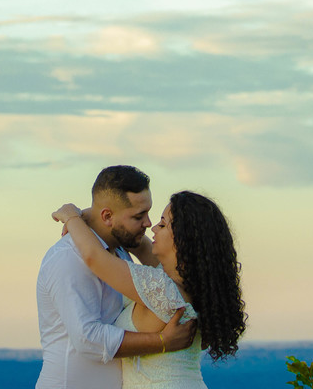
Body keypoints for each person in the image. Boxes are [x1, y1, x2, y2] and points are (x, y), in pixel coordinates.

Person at [51, 189, 245, 389]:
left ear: (182, 239)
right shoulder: (191, 287)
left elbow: (95, 257)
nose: (153, 228)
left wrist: (71, 216)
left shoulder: (161, 289)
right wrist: (94, 217)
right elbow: (137, 242)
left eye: (163, 224)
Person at [36, 166, 198, 389]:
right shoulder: (68, 257)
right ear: (107, 216)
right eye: (139, 216)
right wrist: (162, 342)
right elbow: (87, 338)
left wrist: (76, 217)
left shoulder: (121, 253)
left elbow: (150, 253)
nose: (148, 223)